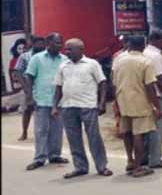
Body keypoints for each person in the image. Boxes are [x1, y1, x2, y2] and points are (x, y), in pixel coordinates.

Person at [52, 38, 112, 179]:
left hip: (88, 106)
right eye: (66, 49)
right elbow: (58, 87)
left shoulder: (92, 64)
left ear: (81, 49)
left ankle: (102, 166)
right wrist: (55, 106)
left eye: (69, 49)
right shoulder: (63, 66)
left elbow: (103, 83)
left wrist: (102, 103)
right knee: (74, 139)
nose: (66, 52)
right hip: (68, 106)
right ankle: (80, 167)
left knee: (94, 137)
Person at [112, 35, 161, 178]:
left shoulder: (119, 59)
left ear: (129, 45)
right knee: (139, 134)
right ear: (143, 46)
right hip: (140, 103)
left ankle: (130, 160)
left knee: (127, 132)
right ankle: (138, 167)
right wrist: (157, 106)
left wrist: (116, 101)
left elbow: (114, 83)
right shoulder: (146, 62)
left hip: (123, 101)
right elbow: (150, 86)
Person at [24, 33, 69, 170]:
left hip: (59, 101)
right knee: (41, 130)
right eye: (56, 43)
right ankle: (39, 158)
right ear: (48, 43)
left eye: (60, 43)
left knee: (57, 129)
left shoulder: (65, 59)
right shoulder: (37, 58)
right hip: (41, 99)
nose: (59, 45)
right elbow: (29, 77)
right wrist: (29, 97)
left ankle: (54, 155)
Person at [142, 29, 162, 169]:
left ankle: (145, 157)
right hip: (158, 95)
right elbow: (159, 79)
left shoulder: (144, 53)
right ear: (156, 40)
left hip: (146, 96)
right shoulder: (154, 56)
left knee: (148, 128)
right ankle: (156, 159)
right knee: (158, 128)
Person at [14, 35, 45, 140]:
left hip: (43, 88)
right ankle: (24, 133)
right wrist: (25, 87)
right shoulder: (25, 56)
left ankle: (42, 134)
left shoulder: (47, 56)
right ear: (33, 44)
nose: (41, 46)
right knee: (27, 110)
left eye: (43, 43)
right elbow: (17, 72)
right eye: (39, 43)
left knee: (43, 111)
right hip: (28, 87)